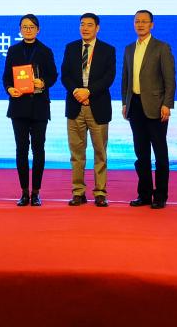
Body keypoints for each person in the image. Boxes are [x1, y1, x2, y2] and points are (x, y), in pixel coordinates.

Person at [121, 10, 176, 209]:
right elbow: (125, 78)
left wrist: (167, 104)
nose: (140, 24)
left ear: (152, 25)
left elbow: (170, 80)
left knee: (160, 155)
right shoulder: (129, 49)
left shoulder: (162, 47)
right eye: (137, 21)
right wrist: (125, 103)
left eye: (144, 21)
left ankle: (160, 196)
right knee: (141, 154)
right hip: (135, 106)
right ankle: (144, 194)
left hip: (156, 107)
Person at [60, 12, 116, 207]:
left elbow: (109, 78)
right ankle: (78, 192)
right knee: (77, 153)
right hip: (75, 106)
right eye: (82, 24)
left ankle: (100, 193)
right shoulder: (71, 48)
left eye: (89, 25)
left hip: (97, 106)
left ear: (97, 28)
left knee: (100, 153)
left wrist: (88, 92)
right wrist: (77, 91)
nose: (85, 28)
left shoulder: (108, 50)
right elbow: (65, 75)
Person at [2, 14, 58, 206]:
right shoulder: (13, 50)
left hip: (39, 106)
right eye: (24, 27)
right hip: (18, 107)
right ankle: (24, 192)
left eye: (31, 27)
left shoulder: (45, 51)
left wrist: (43, 82)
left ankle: (36, 192)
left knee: (38, 149)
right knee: (21, 150)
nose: (28, 30)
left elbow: (53, 75)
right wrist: (10, 89)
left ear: (38, 29)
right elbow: (6, 77)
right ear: (20, 29)